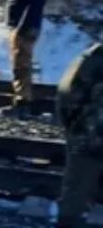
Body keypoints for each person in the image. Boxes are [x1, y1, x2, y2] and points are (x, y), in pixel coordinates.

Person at [54, 43, 103, 227]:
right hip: (90, 137)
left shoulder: (92, 58)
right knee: (75, 195)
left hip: (88, 136)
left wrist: (74, 128)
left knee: (75, 195)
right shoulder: (94, 58)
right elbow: (67, 97)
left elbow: (67, 96)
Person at [7, 0, 48, 114]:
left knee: (21, 65)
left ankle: (22, 100)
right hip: (20, 28)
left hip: (25, 30)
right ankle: (22, 96)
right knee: (19, 64)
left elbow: (32, 9)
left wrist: (20, 28)